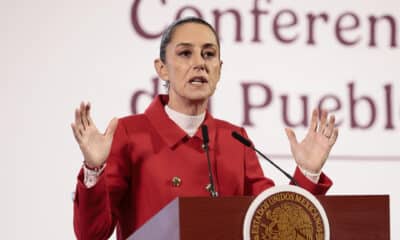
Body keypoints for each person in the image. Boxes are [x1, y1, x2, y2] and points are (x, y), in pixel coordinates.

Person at [71, 17, 338, 240]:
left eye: (208, 54)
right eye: (185, 53)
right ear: (162, 69)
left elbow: (272, 221)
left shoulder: (235, 139)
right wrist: (93, 170)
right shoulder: (130, 134)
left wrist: (307, 173)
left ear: (218, 70)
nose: (199, 62)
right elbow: (91, 234)